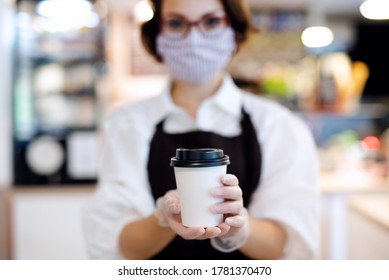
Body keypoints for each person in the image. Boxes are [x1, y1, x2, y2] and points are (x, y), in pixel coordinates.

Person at [82, 0, 320, 260]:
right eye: (176, 23)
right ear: (156, 33)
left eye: (211, 21)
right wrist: (163, 217)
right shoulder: (126, 126)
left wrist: (239, 229)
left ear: (234, 29)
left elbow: (284, 245)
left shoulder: (279, 126)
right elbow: (123, 246)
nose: (193, 38)